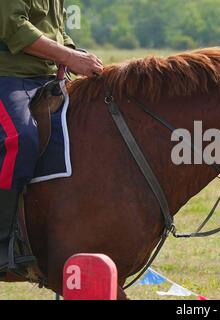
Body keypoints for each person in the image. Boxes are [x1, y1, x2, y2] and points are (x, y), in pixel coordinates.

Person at [0, 0, 103, 272]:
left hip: (45, 77)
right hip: (8, 77)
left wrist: (72, 51)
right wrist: (68, 58)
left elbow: (56, 29)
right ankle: (2, 239)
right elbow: (13, 27)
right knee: (20, 140)